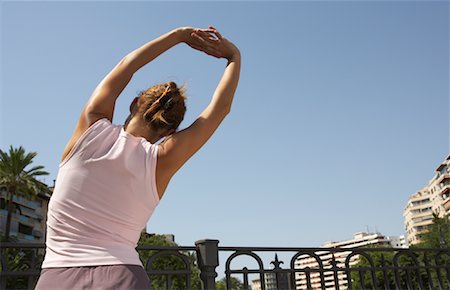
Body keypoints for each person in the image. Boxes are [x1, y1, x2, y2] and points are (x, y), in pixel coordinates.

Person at [35, 26, 240, 290]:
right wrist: (233, 56)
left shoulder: (91, 127)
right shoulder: (161, 161)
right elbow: (219, 110)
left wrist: (177, 36)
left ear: (133, 104)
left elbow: (127, 65)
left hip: (57, 276)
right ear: (169, 131)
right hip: (125, 277)